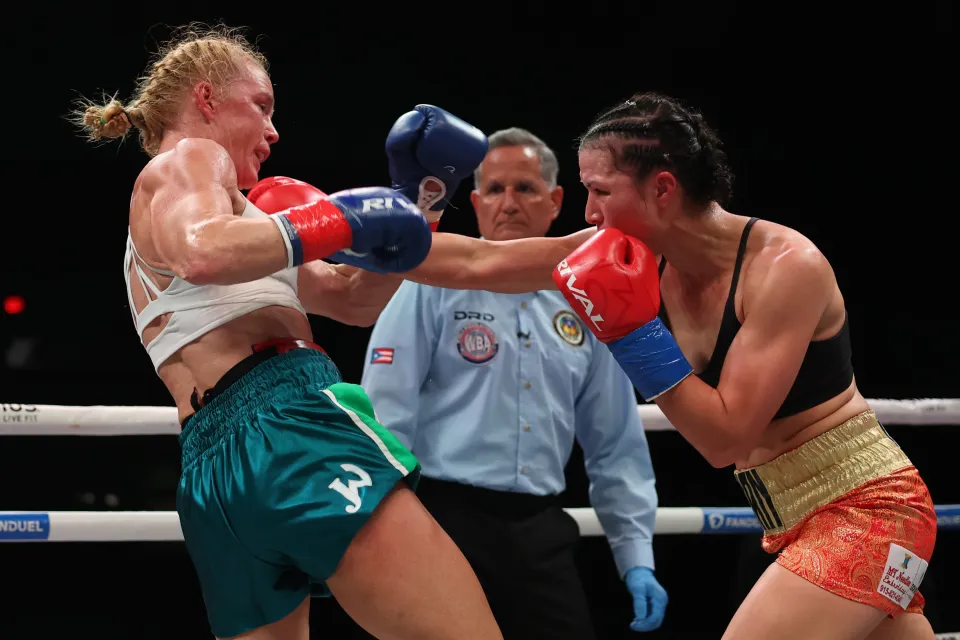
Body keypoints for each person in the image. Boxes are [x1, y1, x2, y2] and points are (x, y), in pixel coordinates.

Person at [70, 23, 504, 640]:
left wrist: (419, 202)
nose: (274, 131)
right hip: (287, 423)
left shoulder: (236, 224)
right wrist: (344, 217)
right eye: (262, 106)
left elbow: (353, 303)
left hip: (211, 470)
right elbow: (204, 252)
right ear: (207, 98)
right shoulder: (191, 161)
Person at [551, 92, 938, 640]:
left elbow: (724, 440)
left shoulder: (784, 266)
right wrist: (410, 213)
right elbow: (482, 261)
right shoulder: (636, 254)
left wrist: (633, 335)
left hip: (866, 511)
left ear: (662, 188)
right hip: (794, 518)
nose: (589, 213)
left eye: (600, 191)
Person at [359, 128, 667, 639]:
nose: (508, 203)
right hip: (440, 520)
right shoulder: (429, 282)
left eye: (524, 188)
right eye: (495, 190)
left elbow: (614, 441)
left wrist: (636, 555)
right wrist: (382, 528)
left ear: (555, 201)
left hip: (539, 529)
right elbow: (386, 413)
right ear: (476, 203)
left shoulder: (590, 300)